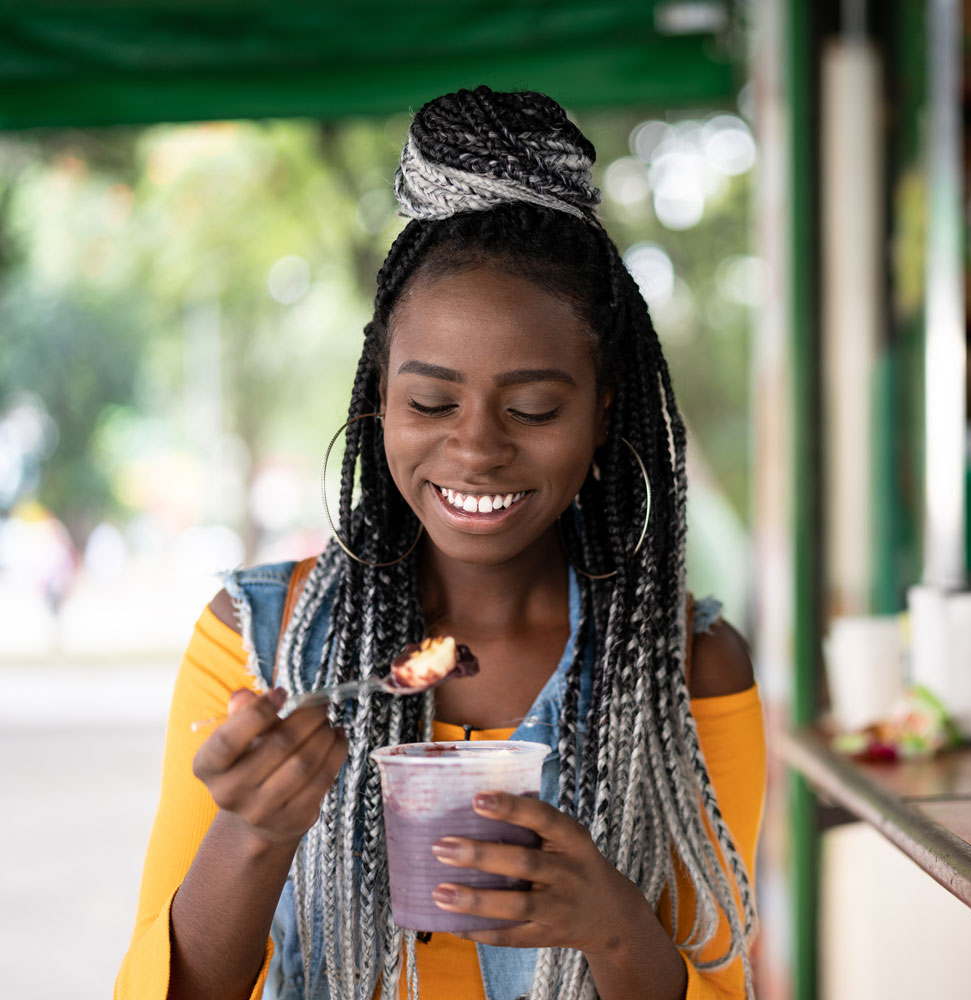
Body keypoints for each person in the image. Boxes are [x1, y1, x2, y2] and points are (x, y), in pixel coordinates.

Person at [116, 86, 765, 1000]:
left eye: (534, 408)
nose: (477, 447)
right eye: (429, 402)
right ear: (378, 394)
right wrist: (254, 835)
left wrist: (615, 930)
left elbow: (724, 979)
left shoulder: (685, 667)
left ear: (602, 410)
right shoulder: (256, 644)